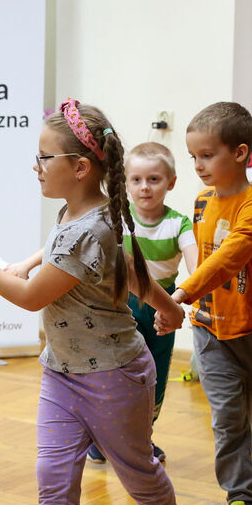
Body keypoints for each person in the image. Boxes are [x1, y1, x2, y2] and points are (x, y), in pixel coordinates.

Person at [0, 99, 189, 505]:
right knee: (54, 480)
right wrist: (169, 307)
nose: (35, 167)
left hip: (113, 376)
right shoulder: (79, 215)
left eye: (43, 158)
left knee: (138, 474)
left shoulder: (92, 226)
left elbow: (28, 298)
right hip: (61, 373)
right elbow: (127, 267)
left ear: (80, 167)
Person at [166, 102, 252, 505]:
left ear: (239, 153)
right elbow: (202, 261)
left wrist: (178, 295)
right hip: (210, 331)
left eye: (206, 155)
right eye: (193, 156)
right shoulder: (201, 202)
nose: (197, 166)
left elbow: (225, 261)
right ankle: (241, 503)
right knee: (227, 419)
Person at [86, 142, 198, 466]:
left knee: (156, 376)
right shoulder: (115, 217)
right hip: (119, 305)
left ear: (171, 182)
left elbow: (197, 267)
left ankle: (142, 439)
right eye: (136, 180)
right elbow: (75, 242)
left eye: (154, 179)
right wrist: (25, 266)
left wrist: (192, 297)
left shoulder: (179, 225)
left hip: (163, 308)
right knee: (114, 373)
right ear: (126, 184)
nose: (144, 187)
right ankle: (102, 436)